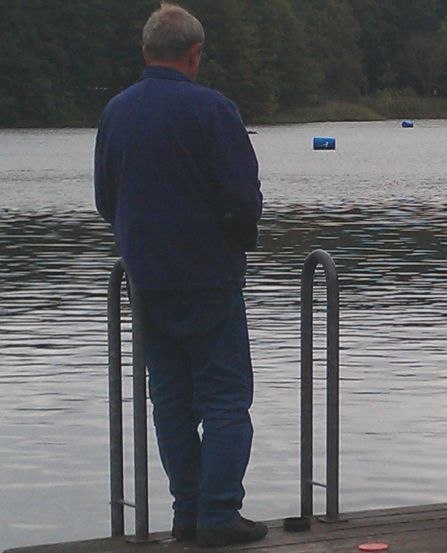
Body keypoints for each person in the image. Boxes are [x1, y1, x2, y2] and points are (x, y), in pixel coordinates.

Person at [94, 3, 266, 547]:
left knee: (169, 399)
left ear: (146, 52)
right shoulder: (213, 109)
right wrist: (238, 242)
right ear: (194, 54)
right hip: (209, 278)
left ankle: (187, 513)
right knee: (225, 397)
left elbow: (105, 200)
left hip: (146, 278)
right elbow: (242, 197)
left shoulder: (116, 113)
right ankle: (218, 514)